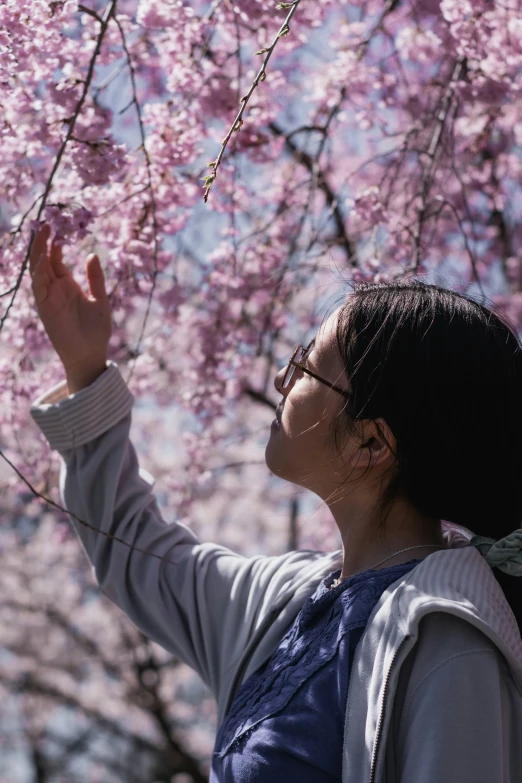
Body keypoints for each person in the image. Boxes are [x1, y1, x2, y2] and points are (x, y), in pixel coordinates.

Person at [28, 221, 522, 782]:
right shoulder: (284, 602)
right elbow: (133, 548)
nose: (283, 380)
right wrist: (86, 371)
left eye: (307, 366)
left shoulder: (450, 644)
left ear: (371, 442)